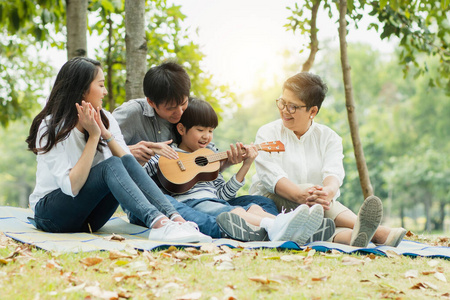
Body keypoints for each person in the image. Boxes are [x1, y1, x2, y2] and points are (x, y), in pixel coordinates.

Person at [25, 57, 210, 243]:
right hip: (52, 216)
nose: (105, 91)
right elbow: (72, 187)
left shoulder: (105, 118)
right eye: (101, 85)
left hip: (90, 220)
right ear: (82, 89)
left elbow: (129, 165)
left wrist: (105, 134)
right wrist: (94, 136)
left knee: (124, 161)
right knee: (111, 164)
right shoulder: (52, 126)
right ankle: (159, 224)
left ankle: (175, 220)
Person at [113, 61, 279, 240]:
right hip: (157, 200)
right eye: (171, 108)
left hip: (206, 198)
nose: (179, 113)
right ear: (151, 102)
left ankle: (273, 225)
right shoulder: (131, 113)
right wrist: (130, 152)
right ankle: (249, 229)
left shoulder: (190, 116)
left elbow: (212, 183)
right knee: (176, 205)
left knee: (261, 203)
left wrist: (226, 164)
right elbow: (100, 145)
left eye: (183, 104)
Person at [249, 72, 407, 247]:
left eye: (292, 106)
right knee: (312, 193)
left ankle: (352, 237)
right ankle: (379, 232)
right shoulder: (268, 133)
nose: (284, 110)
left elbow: (333, 173)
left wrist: (328, 192)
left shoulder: (329, 138)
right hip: (272, 204)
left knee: (320, 210)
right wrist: (301, 194)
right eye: (282, 102)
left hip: (318, 208)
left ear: (313, 111)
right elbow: (271, 176)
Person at [144, 98, 326, 244]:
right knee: (236, 212)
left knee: (254, 206)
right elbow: (140, 176)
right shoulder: (167, 152)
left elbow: (223, 195)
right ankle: (277, 225)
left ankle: (288, 227)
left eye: (210, 130)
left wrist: (245, 165)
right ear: (182, 129)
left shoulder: (210, 155)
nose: (206, 136)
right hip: (191, 203)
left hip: (215, 201)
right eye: (200, 130)